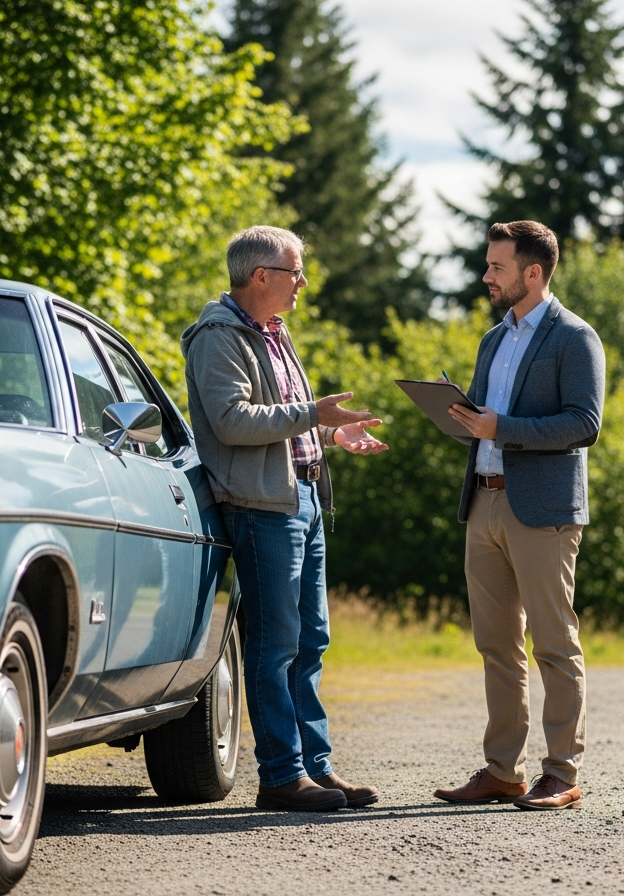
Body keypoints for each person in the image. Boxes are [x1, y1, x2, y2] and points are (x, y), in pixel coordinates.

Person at [182, 225, 388, 812]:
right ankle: (280, 776)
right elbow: (233, 422)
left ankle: (315, 770)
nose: (303, 281)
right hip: (262, 508)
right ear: (260, 276)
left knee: (311, 640)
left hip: (302, 500)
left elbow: (285, 422)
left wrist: (330, 432)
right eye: (295, 271)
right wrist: (309, 414)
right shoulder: (218, 337)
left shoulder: (274, 331)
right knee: (275, 646)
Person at [434, 221, 605, 811]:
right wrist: (459, 417)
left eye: (497, 268)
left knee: (554, 643)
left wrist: (499, 428)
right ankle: (503, 770)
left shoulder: (575, 338)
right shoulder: (491, 340)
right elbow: (485, 419)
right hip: (482, 502)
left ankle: (561, 773)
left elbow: (584, 424)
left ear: (533, 273)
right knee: (496, 644)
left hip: (543, 509)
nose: (486, 277)